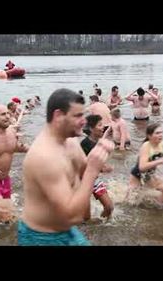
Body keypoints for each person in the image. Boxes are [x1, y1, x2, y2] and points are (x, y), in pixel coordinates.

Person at [18, 88, 114, 246]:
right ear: (58, 116)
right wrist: (92, 169)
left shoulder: (70, 142)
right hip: (41, 238)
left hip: (67, 231)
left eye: (83, 115)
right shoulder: (44, 156)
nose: (84, 121)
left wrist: (99, 154)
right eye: (77, 116)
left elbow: (84, 173)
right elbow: (73, 216)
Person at [127, 123, 163, 203]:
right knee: (129, 201)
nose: (160, 135)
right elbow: (142, 167)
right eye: (157, 133)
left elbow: (157, 160)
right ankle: (153, 206)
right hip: (138, 175)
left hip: (149, 175)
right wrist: (160, 161)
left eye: (161, 132)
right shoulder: (146, 146)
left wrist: (157, 173)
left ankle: (156, 206)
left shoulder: (162, 144)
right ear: (149, 136)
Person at [81, 114, 114, 219]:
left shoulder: (96, 142)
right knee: (86, 218)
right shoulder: (85, 143)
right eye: (100, 125)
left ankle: (101, 228)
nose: (102, 128)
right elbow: (85, 164)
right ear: (91, 128)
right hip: (82, 183)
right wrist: (105, 168)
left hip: (94, 180)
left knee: (109, 207)